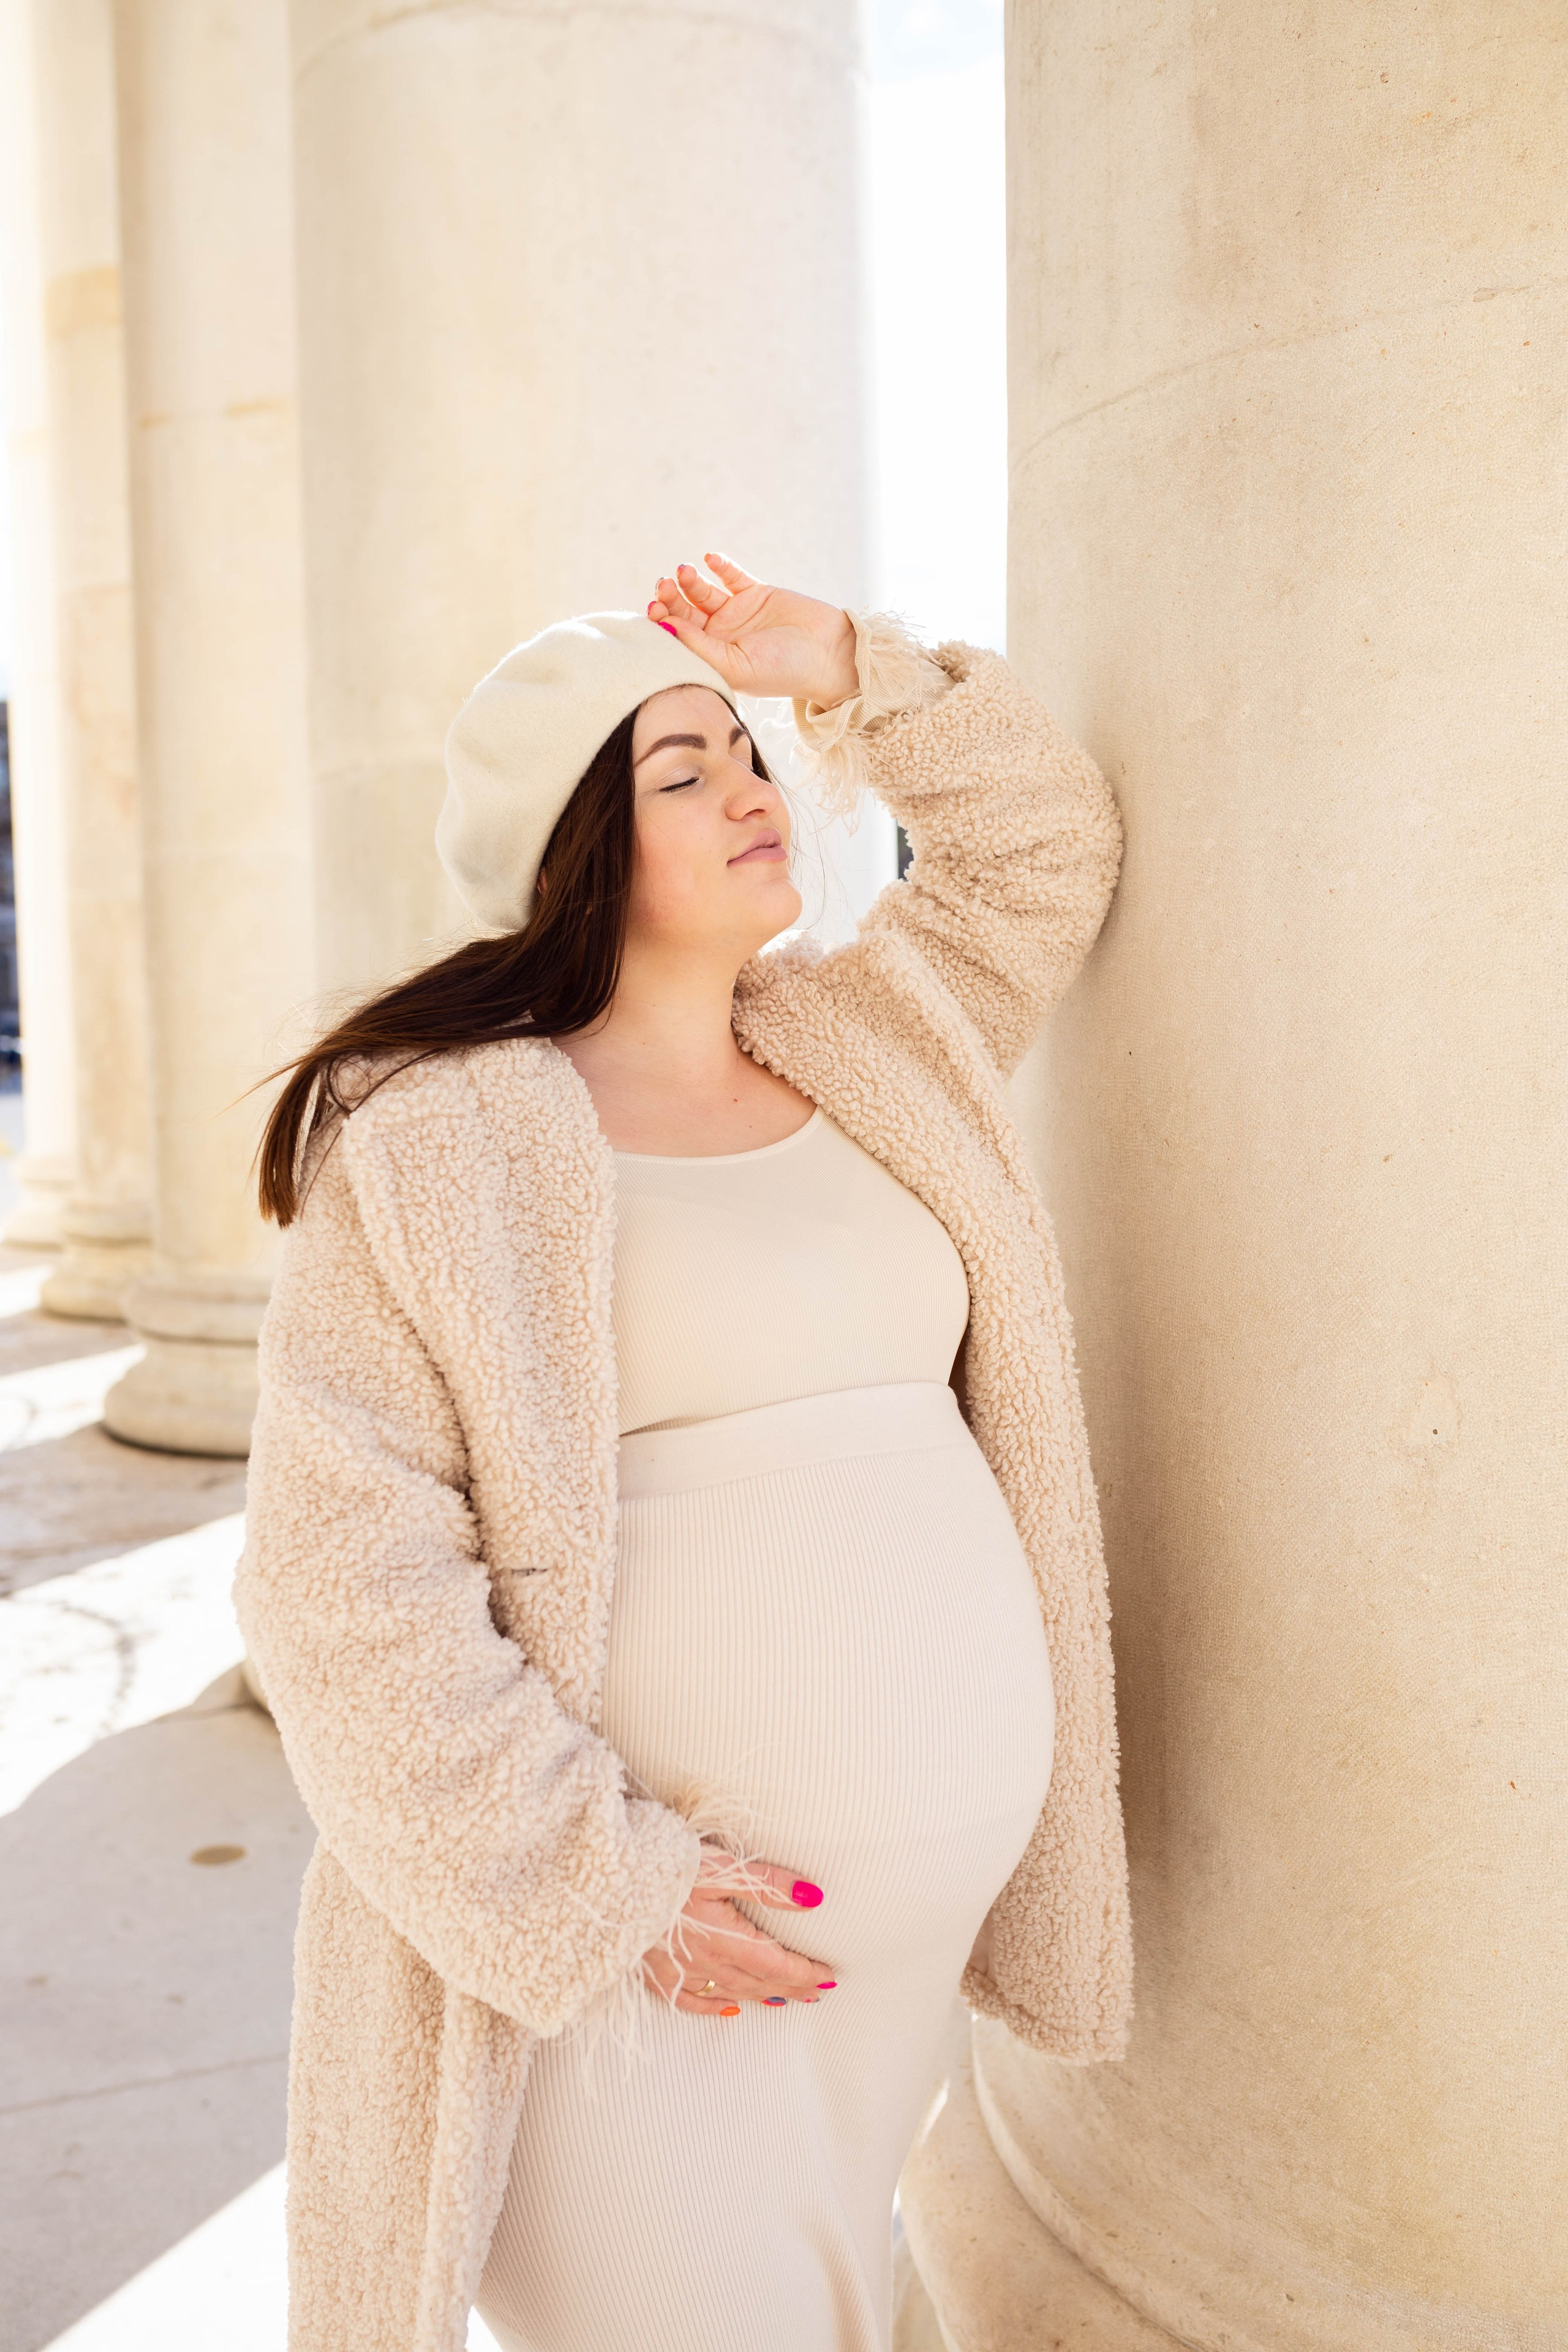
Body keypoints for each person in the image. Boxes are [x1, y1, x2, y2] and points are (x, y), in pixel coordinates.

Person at [235, 555, 1133, 2352]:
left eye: (747, 754)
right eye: (680, 771)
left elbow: (1046, 846)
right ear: (575, 851)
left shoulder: (871, 1036)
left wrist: (841, 670)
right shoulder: (443, 1143)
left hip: (882, 1984)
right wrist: (605, 1887)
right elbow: (337, 1584)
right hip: (645, 1976)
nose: (750, 790)